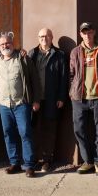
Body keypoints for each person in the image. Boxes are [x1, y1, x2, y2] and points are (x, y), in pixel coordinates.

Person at [0, 35, 40, 178]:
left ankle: (29, 165)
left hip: (21, 104)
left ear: (13, 44)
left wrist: (36, 100)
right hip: (4, 105)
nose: (5, 46)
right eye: (2, 44)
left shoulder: (23, 58)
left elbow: (34, 80)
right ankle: (14, 163)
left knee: (25, 133)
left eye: (8, 43)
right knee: (8, 133)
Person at [69, 22, 98, 177]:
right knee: (79, 130)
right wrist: (72, 92)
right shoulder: (75, 52)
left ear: (94, 32)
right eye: (84, 32)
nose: (87, 35)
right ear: (81, 34)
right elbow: (71, 74)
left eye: (89, 32)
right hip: (79, 99)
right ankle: (87, 161)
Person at [27, 28, 68, 172]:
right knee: (35, 129)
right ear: (38, 38)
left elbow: (64, 78)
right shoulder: (33, 53)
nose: (44, 38)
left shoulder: (59, 55)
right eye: (41, 36)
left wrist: (61, 97)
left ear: (52, 37)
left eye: (47, 36)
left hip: (52, 99)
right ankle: (37, 158)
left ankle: (47, 160)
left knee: (50, 130)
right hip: (35, 99)